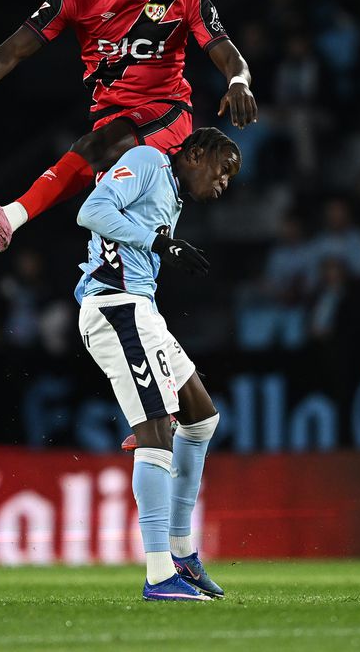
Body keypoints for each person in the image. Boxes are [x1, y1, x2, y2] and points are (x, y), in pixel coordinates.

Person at [0, 0, 257, 253]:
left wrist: (238, 83)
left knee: (94, 148)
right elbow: (14, 49)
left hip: (166, 112)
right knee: (111, 227)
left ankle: (8, 217)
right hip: (111, 116)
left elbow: (229, 55)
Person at [75, 127, 239, 601]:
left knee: (201, 419)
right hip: (116, 306)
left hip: (140, 310)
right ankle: (159, 574)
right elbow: (92, 211)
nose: (223, 183)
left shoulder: (172, 191)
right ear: (196, 154)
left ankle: (182, 552)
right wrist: (161, 243)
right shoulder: (149, 161)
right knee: (156, 434)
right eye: (222, 170)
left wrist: (160, 244)